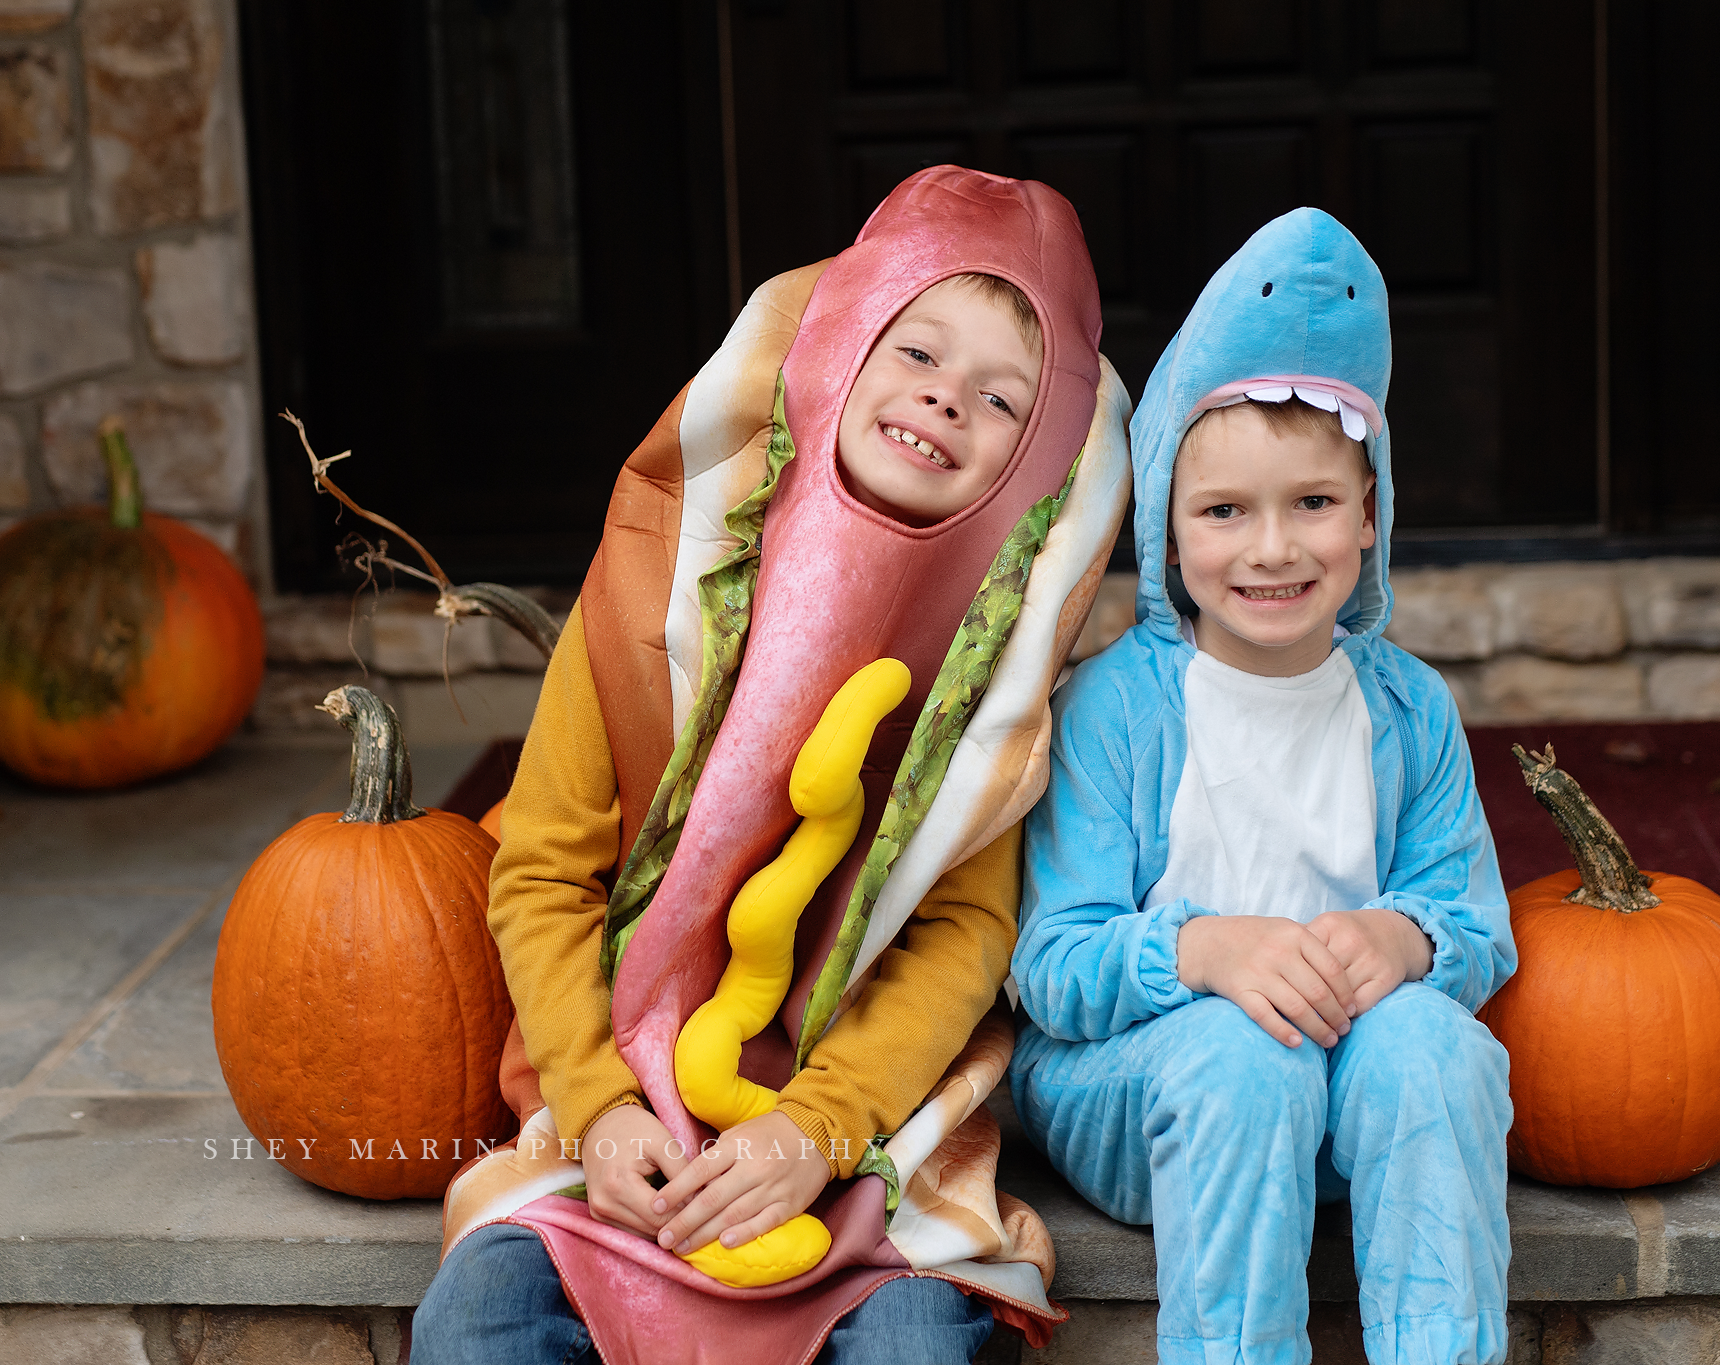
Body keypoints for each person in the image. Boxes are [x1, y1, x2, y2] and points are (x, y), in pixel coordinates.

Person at [413, 166, 1127, 1365]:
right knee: (482, 1326)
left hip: (859, 1136)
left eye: (1001, 399)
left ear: (1039, 456)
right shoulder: (656, 585)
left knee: (907, 1344)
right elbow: (539, 871)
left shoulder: (999, 683)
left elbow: (963, 934)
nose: (945, 402)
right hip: (620, 1118)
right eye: (915, 354)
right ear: (839, 344)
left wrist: (817, 1126)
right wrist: (593, 1107)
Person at [1008, 208, 1517, 1365]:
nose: (1271, 548)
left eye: (1314, 504)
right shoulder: (1117, 709)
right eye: (1223, 511)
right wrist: (1203, 954)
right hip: (1147, 1093)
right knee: (1243, 1058)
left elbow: (1478, 923)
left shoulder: (1407, 708)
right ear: (1166, 535)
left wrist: (1406, 940)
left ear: (1371, 516)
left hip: (1347, 1100)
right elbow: (1048, 965)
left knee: (1433, 1051)